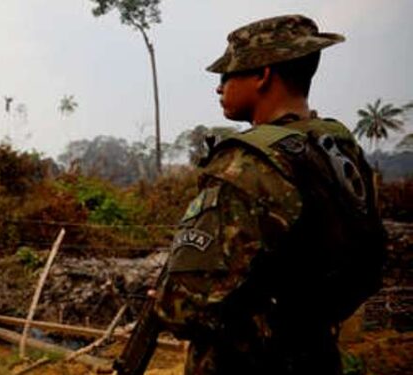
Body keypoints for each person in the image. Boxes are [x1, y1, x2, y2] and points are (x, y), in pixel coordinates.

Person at [150, 15, 385, 375]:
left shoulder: (246, 164)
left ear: (263, 75)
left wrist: (165, 300)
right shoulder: (337, 150)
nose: (219, 87)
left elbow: (183, 308)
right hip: (317, 356)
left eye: (228, 74)